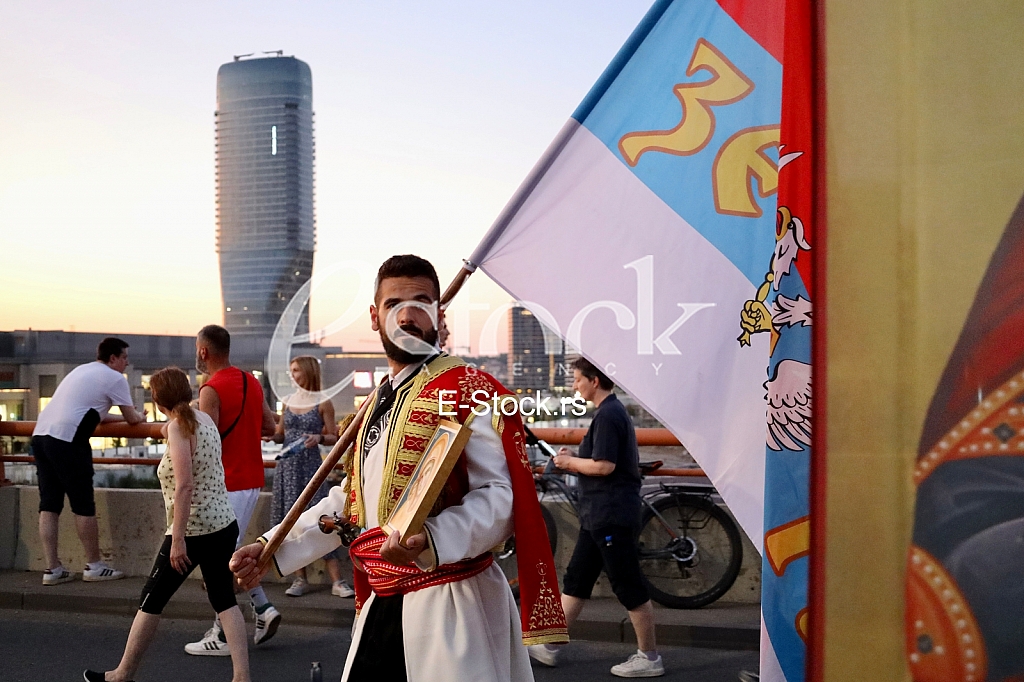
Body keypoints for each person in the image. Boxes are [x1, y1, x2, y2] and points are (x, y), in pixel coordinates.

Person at [230, 254, 567, 682]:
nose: (407, 316)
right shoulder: (376, 401)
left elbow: (502, 498)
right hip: (381, 602)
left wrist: (433, 537)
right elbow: (352, 502)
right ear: (375, 317)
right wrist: (273, 545)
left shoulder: (471, 389)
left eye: (421, 302)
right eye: (393, 305)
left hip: (451, 604)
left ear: (439, 314)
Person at [84, 367, 250, 682]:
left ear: (158, 400)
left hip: (193, 529)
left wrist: (178, 540)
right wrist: (169, 426)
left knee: (152, 598)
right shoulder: (205, 419)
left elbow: (184, 486)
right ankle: (242, 677)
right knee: (223, 599)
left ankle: (122, 674)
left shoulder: (178, 428)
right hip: (223, 523)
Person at [528, 357, 664, 678]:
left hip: (610, 514)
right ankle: (551, 646)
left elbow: (604, 466)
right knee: (577, 579)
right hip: (597, 515)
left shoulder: (608, 415)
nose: (574, 385)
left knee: (628, 585)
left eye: (577, 379)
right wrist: (575, 456)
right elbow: (599, 458)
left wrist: (568, 464)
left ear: (595, 381)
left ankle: (650, 657)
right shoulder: (610, 412)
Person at [185, 324, 281, 656]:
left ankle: (224, 635)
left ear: (203, 351)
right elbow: (270, 426)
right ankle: (262, 607)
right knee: (228, 554)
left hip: (226, 482)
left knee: (218, 560)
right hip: (252, 478)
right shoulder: (250, 380)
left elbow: (207, 440)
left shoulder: (210, 388)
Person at [31, 337, 145, 586]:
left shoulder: (82, 370)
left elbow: (95, 414)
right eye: (124, 357)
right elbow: (132, 419)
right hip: (68, 441)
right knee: (83, 504)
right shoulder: (115, 378)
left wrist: (125, 416)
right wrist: (141, 416)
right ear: (113, 358)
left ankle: (53, 569)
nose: (127, 362)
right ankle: (94, 566)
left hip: (41, 436)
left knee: (49, 504)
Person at [265, 355, 354, 598]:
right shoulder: (289, 401)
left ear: (307, 371)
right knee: (289, 519)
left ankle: (337, 580)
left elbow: (335, 437)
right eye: (291, 370)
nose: (292, 375)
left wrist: (319, 437)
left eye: (296, 370)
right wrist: (271, 437)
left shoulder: (323, 402)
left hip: (310, 467)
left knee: (321, 517)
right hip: (287, 468)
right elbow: (281, 434)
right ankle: (299, 578)